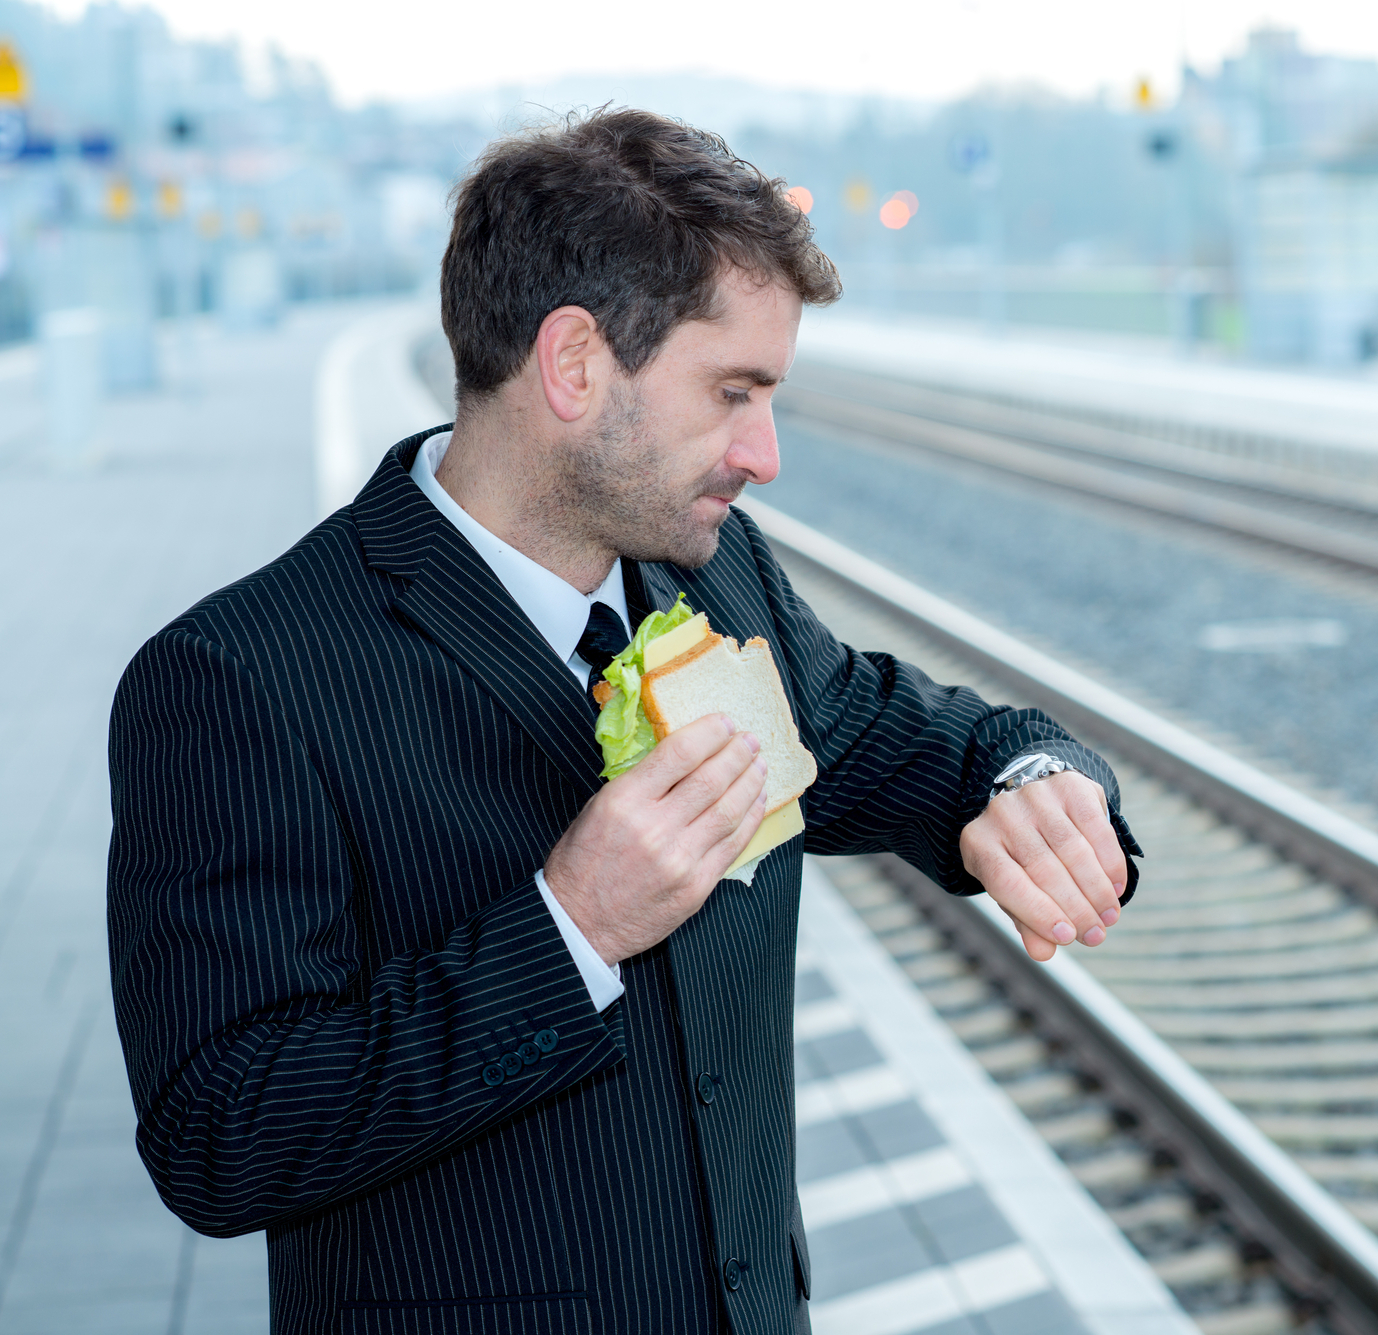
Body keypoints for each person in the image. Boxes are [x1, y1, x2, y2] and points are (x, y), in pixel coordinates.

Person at [106, 108, 1141, 1335]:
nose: (763, 454)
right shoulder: (236, 677)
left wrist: (1034, 776)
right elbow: (221, 1140)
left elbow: (914, 744)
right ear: (575, 364)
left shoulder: (720, 576)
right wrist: (570, 927)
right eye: (733, 392)